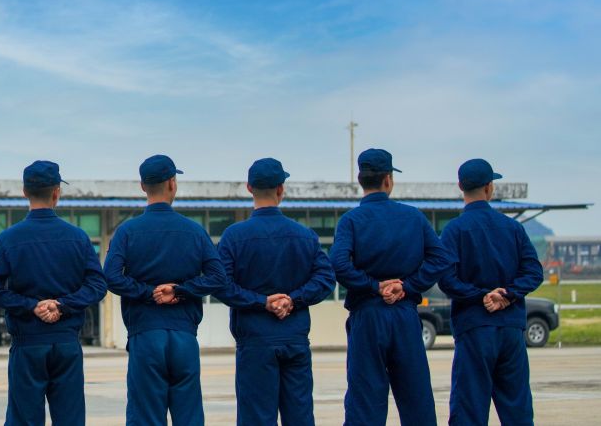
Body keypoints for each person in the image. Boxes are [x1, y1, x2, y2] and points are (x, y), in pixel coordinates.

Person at [329, 148, 454, 426]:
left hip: (368, 316)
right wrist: (407, 287)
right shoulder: (413, 217)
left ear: (361, 180)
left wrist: (373, 286)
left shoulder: (351, 221)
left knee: (365, 401)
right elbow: (442, 258)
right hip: (404, 315)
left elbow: (338, 264)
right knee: (416, 398)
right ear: (388, 180)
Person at [104, 154, 227, 426]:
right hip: (184, 336)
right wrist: (181, 290)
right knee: (189, 415)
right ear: (172, 183)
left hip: (145, 335)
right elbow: (218, 277)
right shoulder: (194, 231)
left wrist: (148, 292)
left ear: (142, 186)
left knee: (146, 416)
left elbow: (111, 277)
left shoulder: (127, 231)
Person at [216, 158, 335, 426]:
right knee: (300, 416)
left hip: (255, 341)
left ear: (249, 188)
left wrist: (261, 302)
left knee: (257, 418)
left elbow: (221, 284)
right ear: (281, 189)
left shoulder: (234, 237)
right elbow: (326, 278)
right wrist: (293, 299)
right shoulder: (305, 236)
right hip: (295, 339)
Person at [0, 160, 108, 426]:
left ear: (24, 192)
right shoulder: (78, 238)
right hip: (66, 344)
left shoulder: (8, 239)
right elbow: (98, 285)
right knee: (70, 420)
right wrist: (63, 305)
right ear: (56, 192)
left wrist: (31, 306)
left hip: (27, 343)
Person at [439, 159, 543, 426]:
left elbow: (446, 279)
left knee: (469, 410)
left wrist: (480, 296)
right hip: (510, 330)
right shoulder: (513, 228)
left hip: (474, 329)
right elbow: (534, 272)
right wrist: (507, 294)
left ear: (461, 186)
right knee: (517, 409)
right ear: (489, 187)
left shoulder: (454, 230)